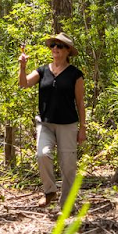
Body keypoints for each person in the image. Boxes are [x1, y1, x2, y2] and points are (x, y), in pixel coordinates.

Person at [18, 33, 85, 209]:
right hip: (45, 123)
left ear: (68, 50)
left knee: (68, 165)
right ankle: (49, 191)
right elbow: (24, 84)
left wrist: (82, 128)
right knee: (42, 155)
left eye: (59, 46)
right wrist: (22, 67)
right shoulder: (42, 71)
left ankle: (67, 204)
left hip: (68, 124)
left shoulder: (75, 74)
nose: (55, 48)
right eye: (53, 45)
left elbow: (80, 102)